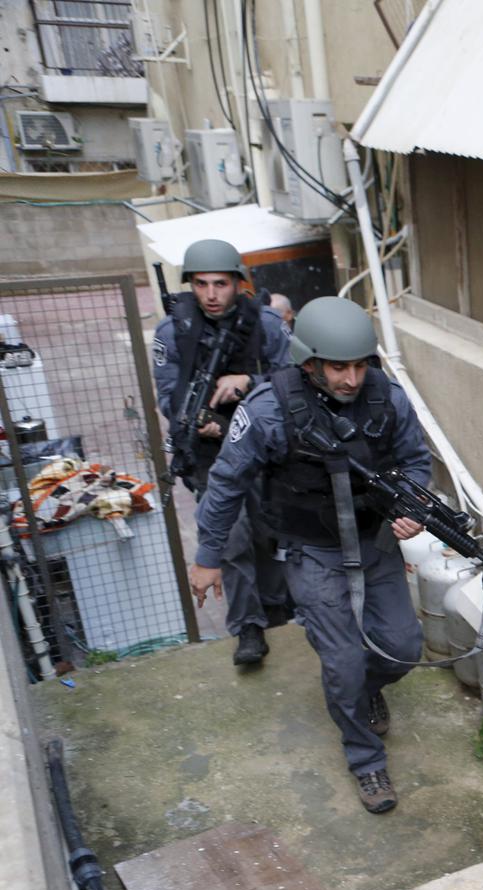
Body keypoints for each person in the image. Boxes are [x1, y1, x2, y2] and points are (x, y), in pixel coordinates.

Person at [187, 296, 430, 814]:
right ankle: (365, 758)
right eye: (339, 367)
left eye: (360, 365)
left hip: (375, 543)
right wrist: (208, 556)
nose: (352, 379)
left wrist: (410, 508)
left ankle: (364, 690)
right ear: (309, 362)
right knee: (342, 662)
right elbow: (226, 484)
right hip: (311, 552)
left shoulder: (388, 397)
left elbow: (415, 462)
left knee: (404, 647)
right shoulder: (269, 409)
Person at [153, 239, 292, 665]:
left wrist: (249, 382)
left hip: (265, 444)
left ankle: (277, 610)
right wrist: (200, 423)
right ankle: (248, 625)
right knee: (230, 538)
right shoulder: (173, 331)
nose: (211, 294)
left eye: (220, 284)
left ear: (237, 283)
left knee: (270, 531)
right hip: (209, 452)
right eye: (201, 284)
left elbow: (295, 380)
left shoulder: (266, 324)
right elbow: (167, 396)